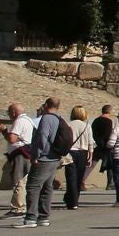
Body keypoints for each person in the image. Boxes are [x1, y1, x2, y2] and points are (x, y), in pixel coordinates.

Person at [23, 96, 69, 227]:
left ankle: (31, 217)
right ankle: (44, 216)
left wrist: (35, 155)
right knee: (47, 187)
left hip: (44, 157)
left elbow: (42, 137)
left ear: (46, 105)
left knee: (33, 186)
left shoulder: (46, 118)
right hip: (54, 157)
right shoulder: (59, 119)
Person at [4, 100, 33, 216]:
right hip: (26, 152)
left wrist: (4, 131)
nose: (9, 116)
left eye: (9, 113)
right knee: (23, 180)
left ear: (14, 112)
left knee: (18, 180)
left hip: (20, 154)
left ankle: (18, 207)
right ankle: (21, 205)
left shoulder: (19, 121)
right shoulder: (29, 120)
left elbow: (12, 138)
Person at [63, 105, 94, 210]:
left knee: (71, 177)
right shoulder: (86, 126)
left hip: (70, 152)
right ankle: (75, 199)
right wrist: (90, 156)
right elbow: (90, 142)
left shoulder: (68, 125)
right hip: (83, 153)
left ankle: (72, 200)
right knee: (79, 178)